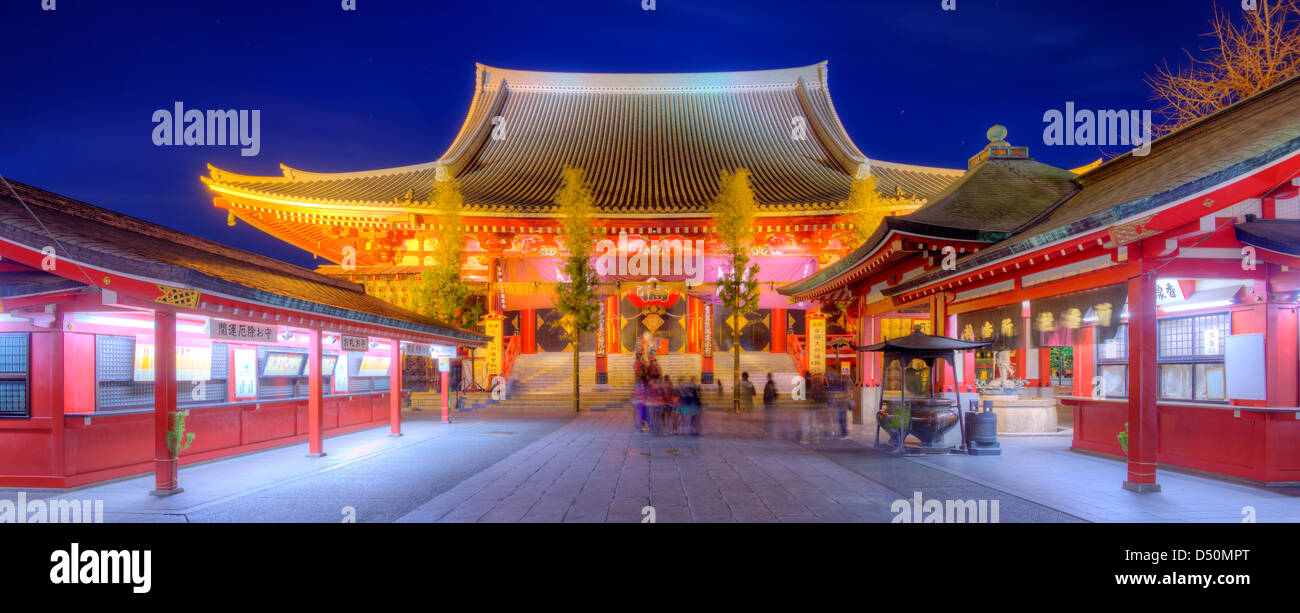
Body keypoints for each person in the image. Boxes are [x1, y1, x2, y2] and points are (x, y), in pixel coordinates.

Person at [763, 372, 778, 437]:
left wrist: (767, 400)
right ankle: (769, 430)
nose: (767, 377)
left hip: (769, 402)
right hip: (769, 402)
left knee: (768, 417)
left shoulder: (770, 384)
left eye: (767, 376)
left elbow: (770, 393)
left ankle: (768, 431)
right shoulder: (771, 383)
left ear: (769, 377)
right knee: (769, 417)